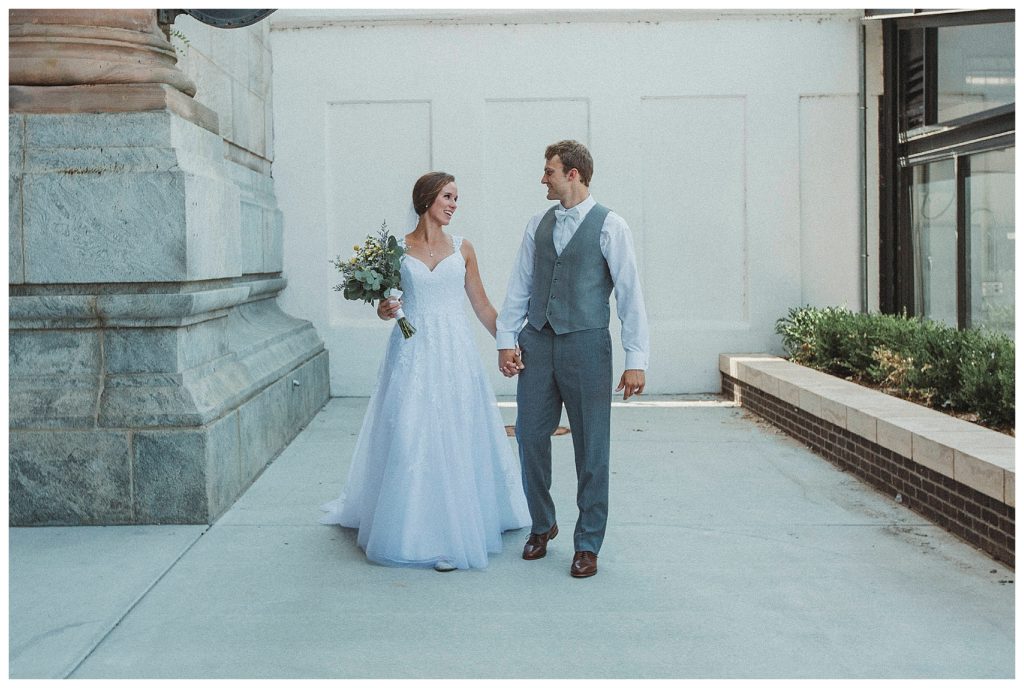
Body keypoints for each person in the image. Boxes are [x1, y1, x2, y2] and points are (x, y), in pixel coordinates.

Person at [321, 171, 531, 571]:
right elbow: (392, 305)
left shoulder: (463, 248)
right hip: (412, 351)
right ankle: (416, 527)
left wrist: (510, 342)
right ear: (427, 199)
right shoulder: (396, 251)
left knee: (456, 429)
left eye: (456, 198)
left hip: (456, 354)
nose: (454, 204)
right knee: (411, 430)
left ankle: (460, 522)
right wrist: (386, 309)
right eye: (448, 197)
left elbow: (483, 305)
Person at [496, 140, 649, 578]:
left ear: (573, 174)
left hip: (586, 345)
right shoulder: (537, 224)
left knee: (592, 447)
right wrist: (507, 339)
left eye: (549, 171)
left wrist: (635, 358)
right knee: (529, 435)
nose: (543, 178)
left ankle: (588, 543)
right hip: (537, 344)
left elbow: (630, 294)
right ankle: (542, 525)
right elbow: (519, 285)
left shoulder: (610, 226)